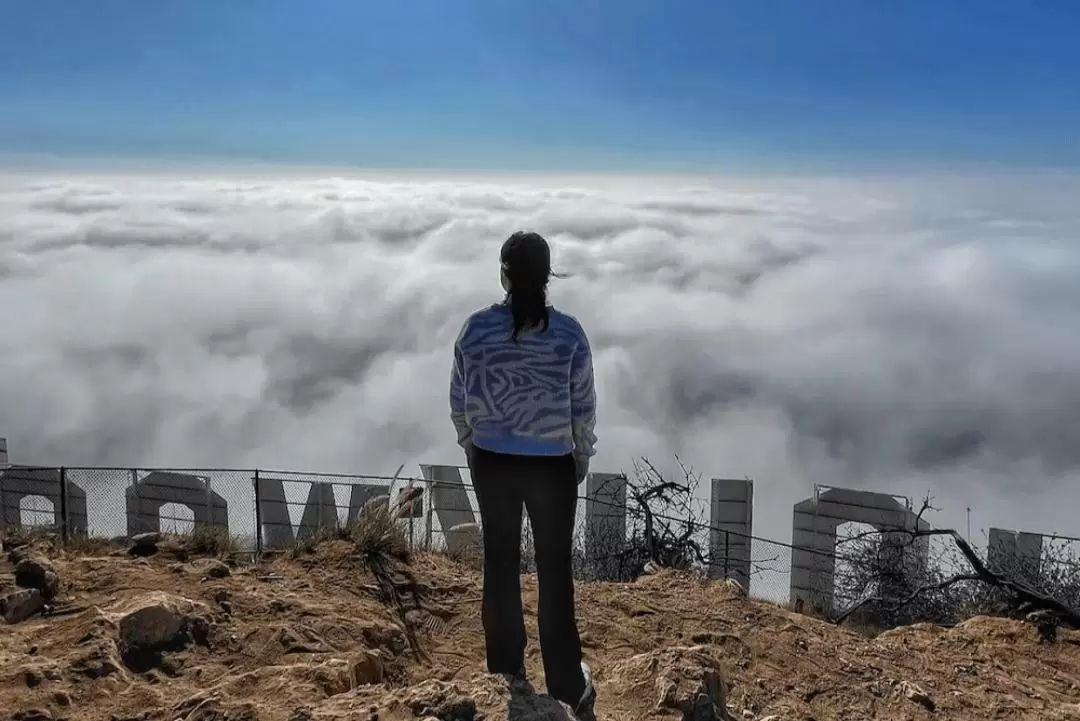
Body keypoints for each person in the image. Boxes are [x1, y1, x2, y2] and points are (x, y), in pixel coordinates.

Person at [449, 230, 598, 719]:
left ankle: (505, 672)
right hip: (551, 466)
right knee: (556, 574)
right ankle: (568, 684)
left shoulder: (475, 330)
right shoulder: (570, 334)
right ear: (548, 276)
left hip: (493, 461)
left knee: (500, 565)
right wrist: (580, 457)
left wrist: (472, 447)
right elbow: (583, 407)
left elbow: (459, 400)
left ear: (504, 275)